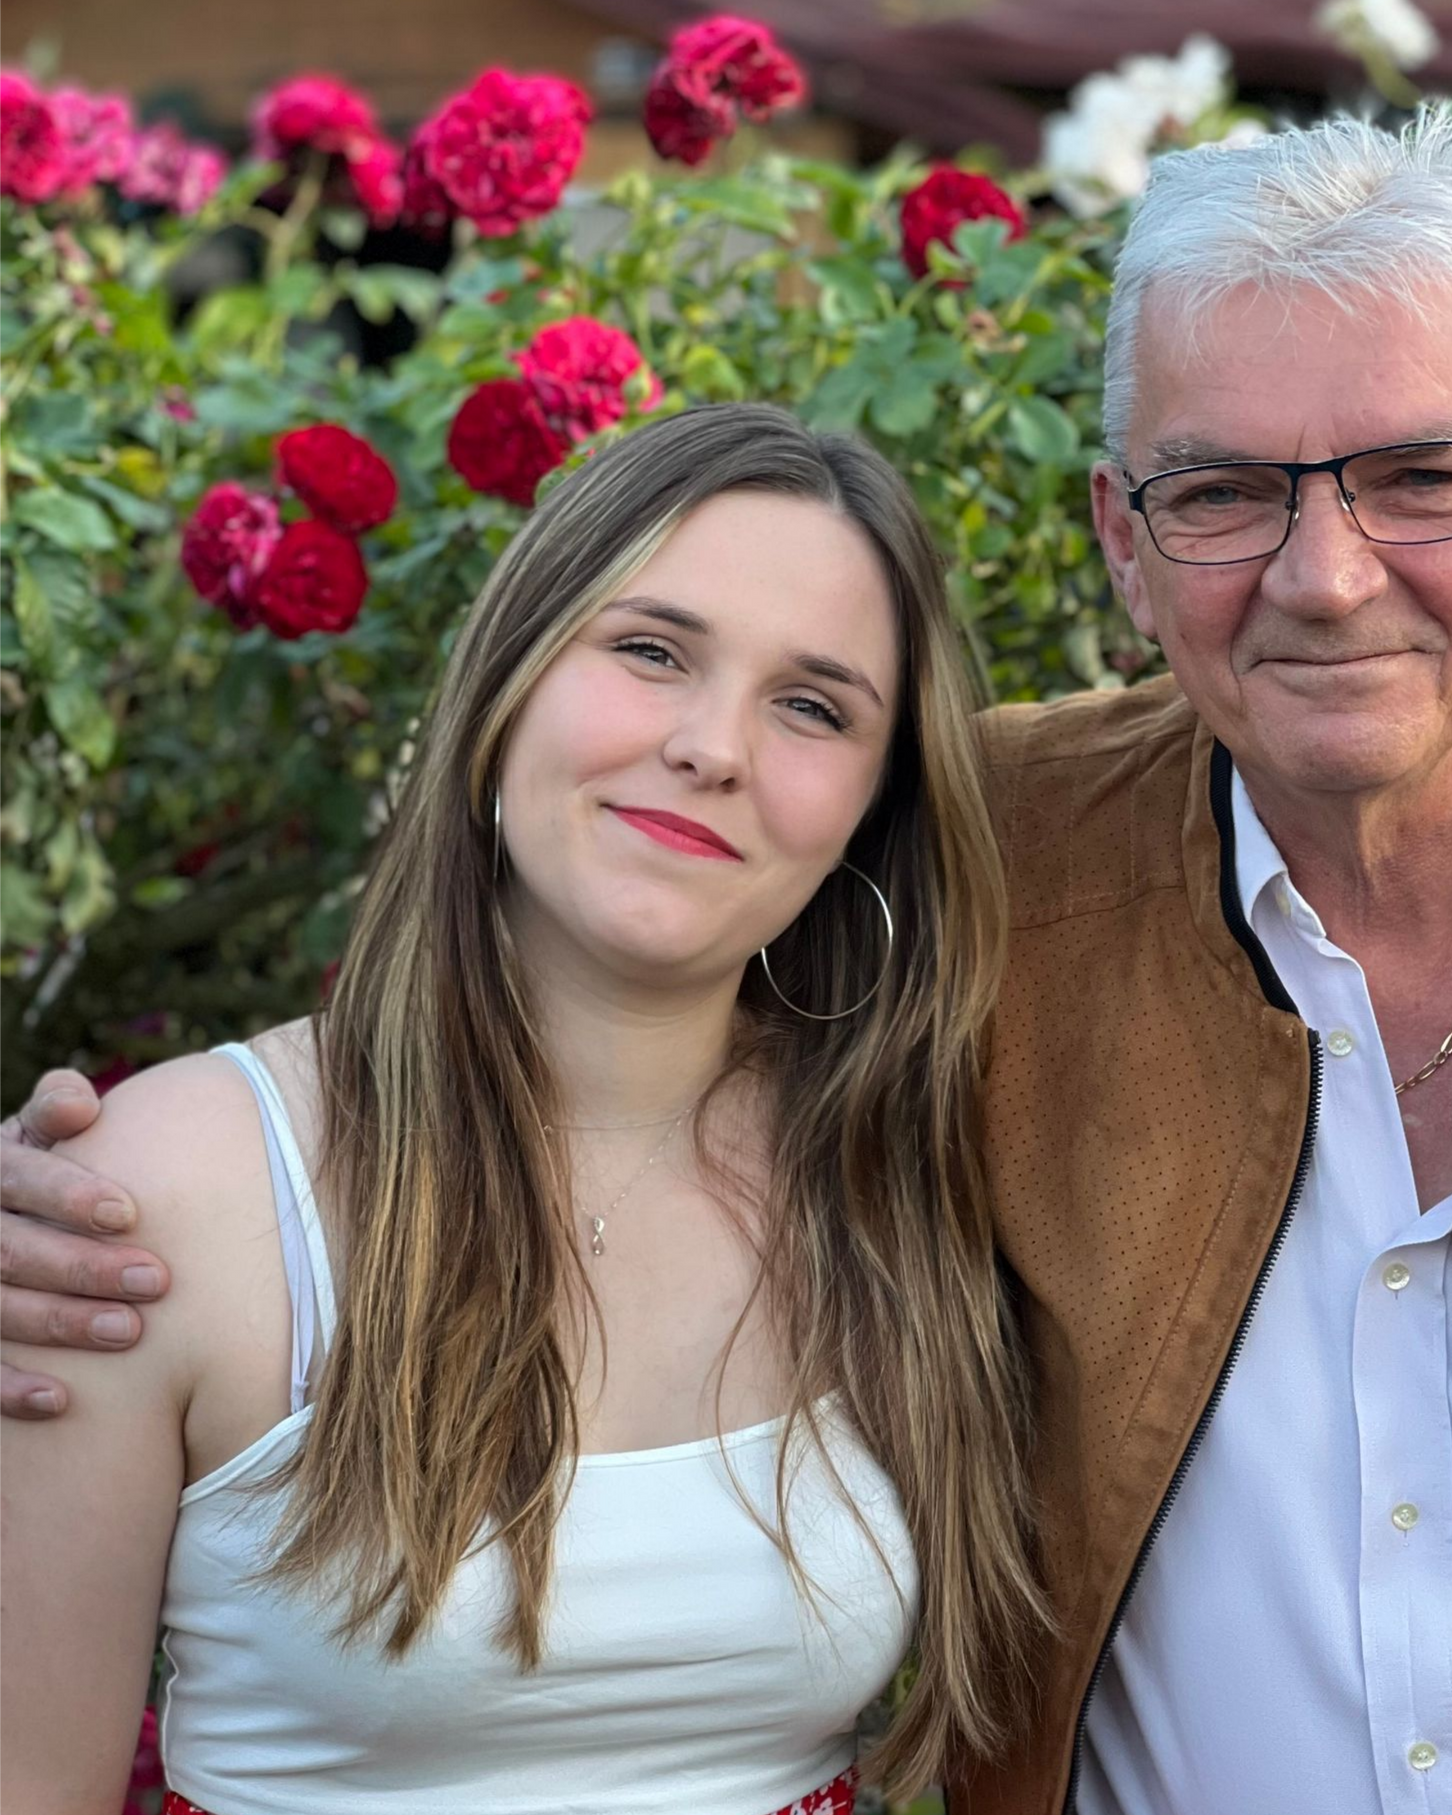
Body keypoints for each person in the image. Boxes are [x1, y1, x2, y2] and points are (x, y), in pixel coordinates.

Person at [6, 108, 1452, 1813]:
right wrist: (102, 1190)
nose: (1327, 574)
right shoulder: (991, 880)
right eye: (1226, 489)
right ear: (1122, 538)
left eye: (1423, 473)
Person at [0, 402, 1048, 1814]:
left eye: (813, 704)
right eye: (651, 650)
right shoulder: (160, 1197)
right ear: (507, 684)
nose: (711, 746)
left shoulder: (910, 1169)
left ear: (874, 805)